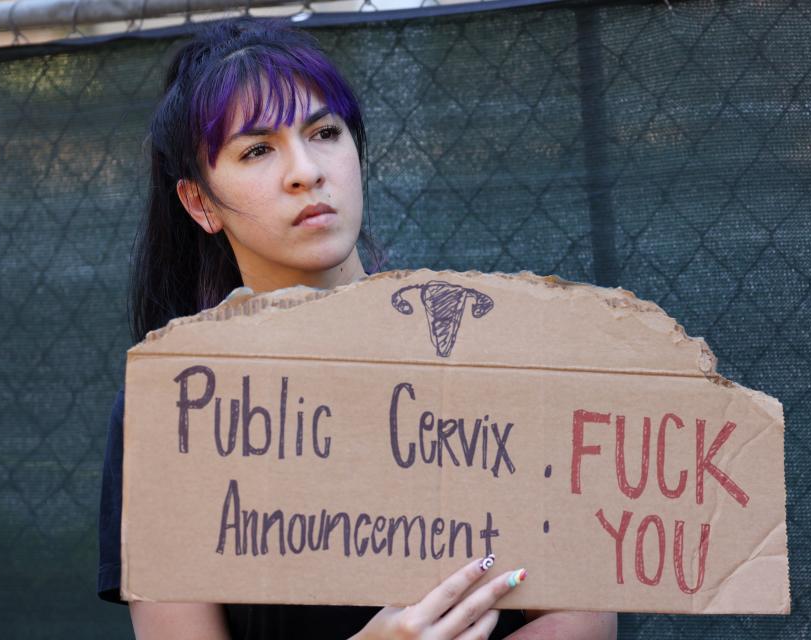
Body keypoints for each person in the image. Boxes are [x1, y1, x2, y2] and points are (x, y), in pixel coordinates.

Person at [98, 16, 617, 640]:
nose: (306, 171)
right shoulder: (172, 404)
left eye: (324, 132)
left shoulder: (493, 354)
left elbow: (581, 616)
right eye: (257, 149)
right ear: (199, 203)